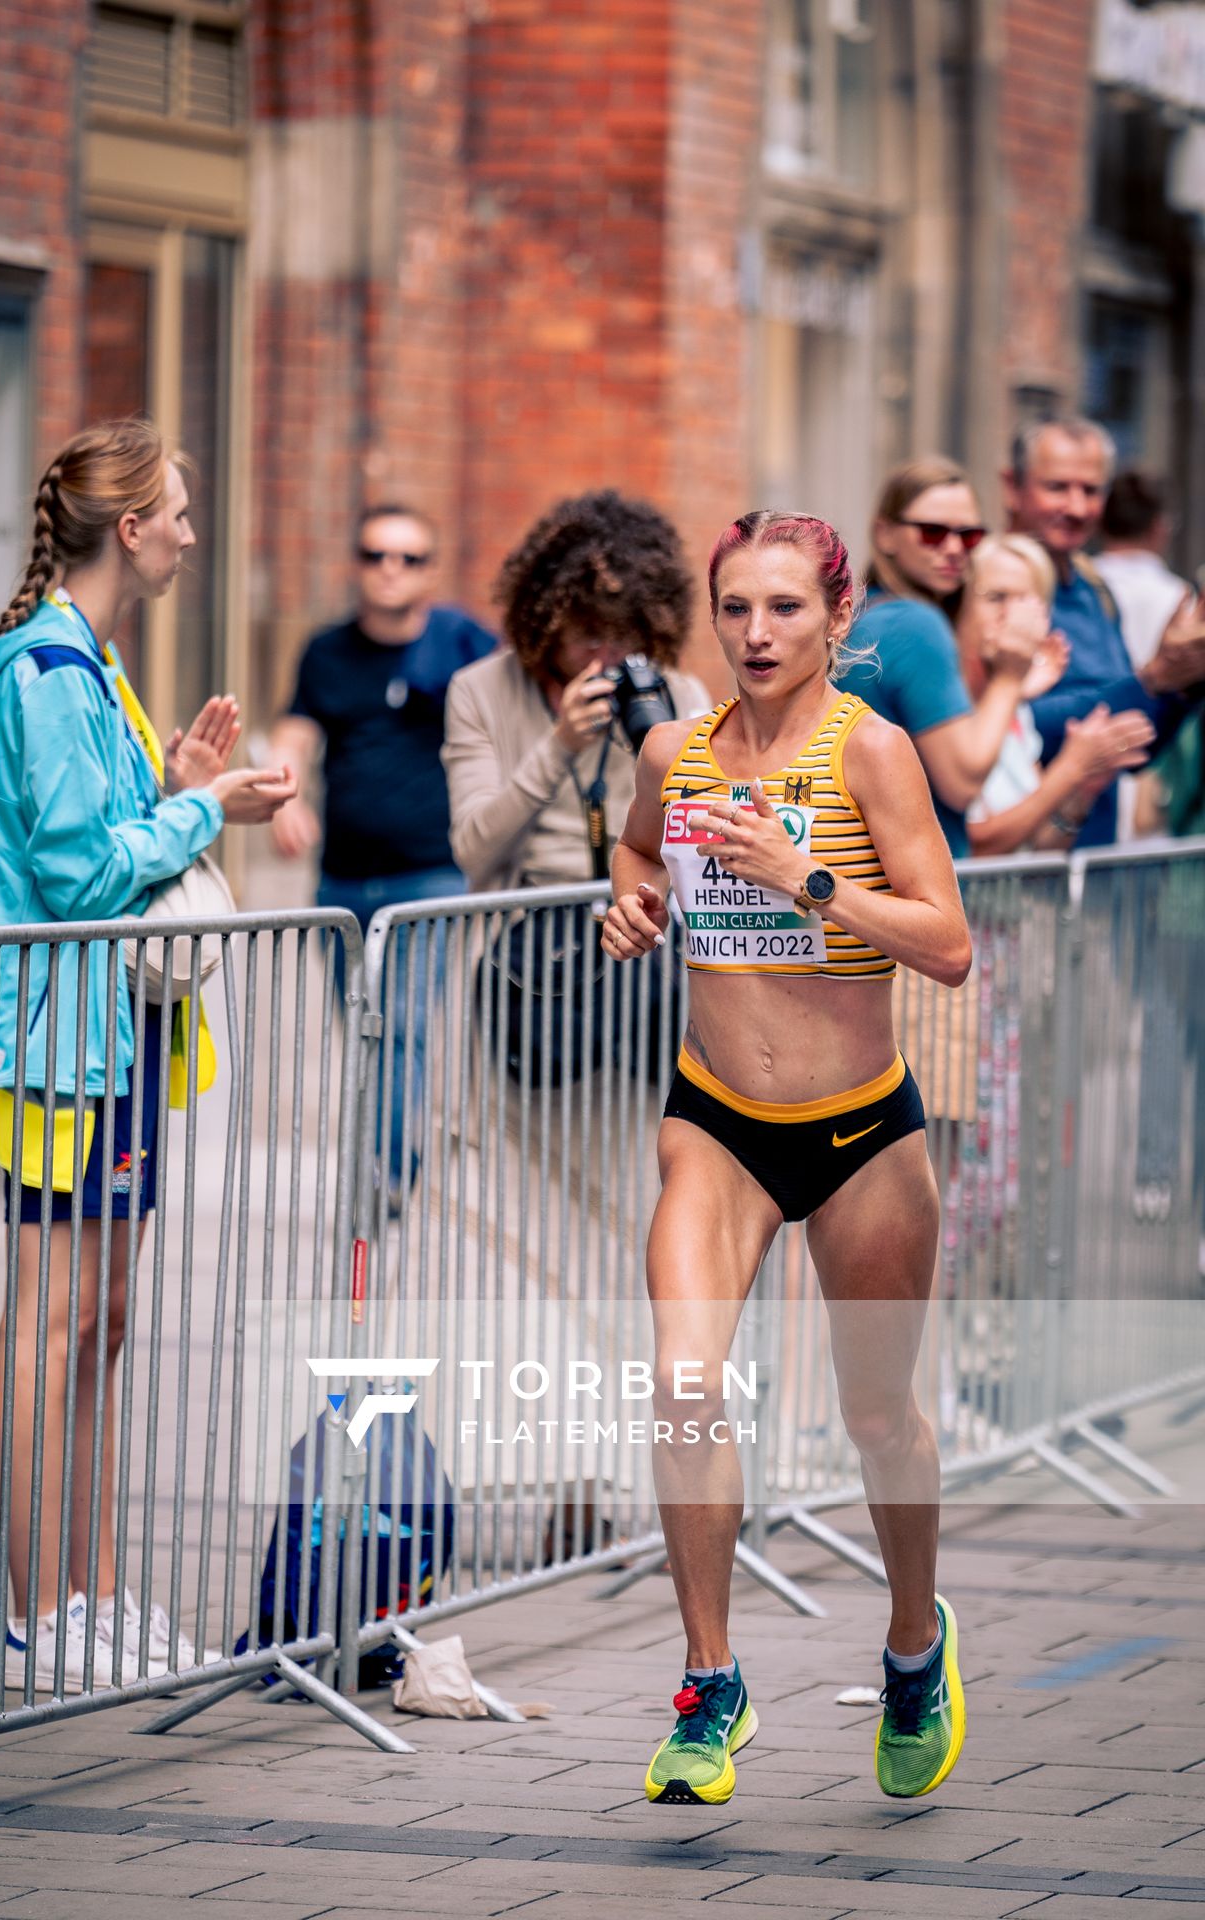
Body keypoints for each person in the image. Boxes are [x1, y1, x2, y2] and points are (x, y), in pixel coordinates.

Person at [605, 509, 971, 1808]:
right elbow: (638, 843)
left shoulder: (871, 753)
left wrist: (807, 879)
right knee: (684, 1384)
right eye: (736, 609)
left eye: (785, 611)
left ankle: (915, 1650)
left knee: (878, 1417)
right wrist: (632, 895)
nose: (757, 634)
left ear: (836, 621)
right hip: (716, 1120)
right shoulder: (675, 748)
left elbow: (949, 942)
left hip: (863, 1127)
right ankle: (710, 1684)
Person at [0, 418, 296, 1695]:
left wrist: (177, 782)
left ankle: (90, 1594)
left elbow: (95, 839)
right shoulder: (47, 677)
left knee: (107, 1318)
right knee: (52, 1322)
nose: (192, 534)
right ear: (128, 529)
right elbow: (85, 874)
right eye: (179, 514)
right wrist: (207, 805)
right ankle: (41, 1616)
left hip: (104, 1030)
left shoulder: (88, 666)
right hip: (52, 1038)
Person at [270, 504, 497, 1204]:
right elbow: (296, 731)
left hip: (429, 874)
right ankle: (393, 1146)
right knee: (365, 1028)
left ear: (430, 571)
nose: (390, 570)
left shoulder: (463, 644)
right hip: (341, 879)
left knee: (402, 1025)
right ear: (356, 564)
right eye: (376, 555)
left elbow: (515, 714)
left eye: (408, 558)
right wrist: (285, 795)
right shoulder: (326, 651)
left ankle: (386, 1174)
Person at [443, 489, 709, 894]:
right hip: (521, 934)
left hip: (640, 925)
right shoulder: (479, 691)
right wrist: (559, 746)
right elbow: (474, 851)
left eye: (622, 640)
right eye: (587, 639)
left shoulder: (676, 693)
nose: (604, 659)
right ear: (545, 626)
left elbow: (701, 839)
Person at [1003, 417, 1205, 847]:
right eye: (1057, 487)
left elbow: (1130, 749)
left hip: (1094, 862)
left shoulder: (1095, 588)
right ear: (1012, 487)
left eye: (1091, 491)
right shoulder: (991, 588)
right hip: (1014, 865)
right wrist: (1151, 680)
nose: (1076, 508)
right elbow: (1003, 726)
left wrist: (1186, 682)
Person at [836, 457, 1041, 858]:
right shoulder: (915, 624)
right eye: (932, 533)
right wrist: (1011, 676)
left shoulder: (866, 614)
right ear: (885, 534)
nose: (952, 549)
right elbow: (962, 782)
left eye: (969, 536)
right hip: (910, 887)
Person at [958, 534, 1154, 855]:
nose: (1013, 617)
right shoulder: (946, 706)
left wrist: (1079, 796)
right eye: (996, 597)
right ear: (959, 604)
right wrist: (1070, 769)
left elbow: (1039, 846)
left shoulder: (1013, 708)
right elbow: (976, 845)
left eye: (1027, 603)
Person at [1095, 469, 1199, 840]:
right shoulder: (1181, 597)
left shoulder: (1085, 585)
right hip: (1149, 757)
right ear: (1160, 527)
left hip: (1093, 748)